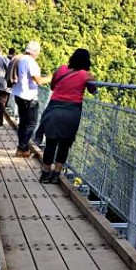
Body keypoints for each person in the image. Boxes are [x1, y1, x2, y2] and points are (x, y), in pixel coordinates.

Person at [37, 48, 97, 183]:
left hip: (54, 109)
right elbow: (93, 91)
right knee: (65, 143)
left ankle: (45, 173)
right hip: (72, 112)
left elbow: (52, 87)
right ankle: (56, 174)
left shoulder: (61, 69)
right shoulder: (87, 75)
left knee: (51, 142)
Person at [9, 41, 49, 157]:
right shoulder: (31, 62)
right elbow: (39, 81)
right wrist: (53, 76)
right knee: (31, 124)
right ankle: (22, 148)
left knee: (23, 123)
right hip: (29, 97)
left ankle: (23, 148)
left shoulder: (21, 59)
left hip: (18, 94)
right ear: (35, 52)